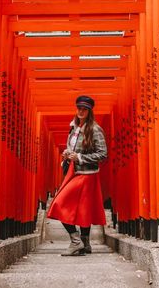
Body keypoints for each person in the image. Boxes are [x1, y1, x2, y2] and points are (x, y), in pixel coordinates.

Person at [47, 95, 108, 256]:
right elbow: (74, 149)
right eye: (79, 108)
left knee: (59, 203)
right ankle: (84, 244)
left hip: (87, 174)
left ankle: (76, 241)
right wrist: (68, 154)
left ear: (89, 111)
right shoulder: (74, 127)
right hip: (74, 172)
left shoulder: (95, 129)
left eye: (84, 109)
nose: (81, 111)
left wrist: (80, 157)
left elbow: (103, 154)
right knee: (83, 209)